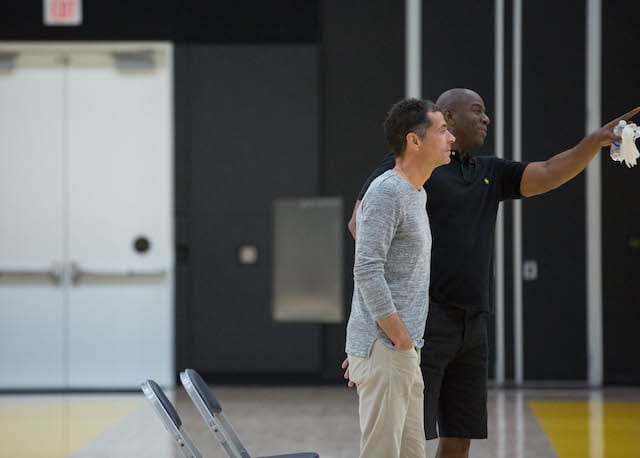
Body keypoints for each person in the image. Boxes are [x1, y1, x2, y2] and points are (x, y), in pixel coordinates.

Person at [343, 88, 640, 458]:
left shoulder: (486, 172)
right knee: (401, 435)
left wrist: (593, 142)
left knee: (456, 433)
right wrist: (377, 333)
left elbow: (547, 172)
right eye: (477, 111)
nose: (486, 119)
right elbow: (363, 234)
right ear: (446, 118)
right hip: (422, 320)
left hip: (471, 321)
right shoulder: (404, 172)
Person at [346, 98, 455, 458]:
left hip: (402, 350)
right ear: (415, 141)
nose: (450, 137)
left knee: (411, 453)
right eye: (442, 130)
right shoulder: (386, 191)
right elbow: (366, 268)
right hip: (390, 346)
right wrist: (394, 336)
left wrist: (405, 344)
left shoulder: (415, 193)